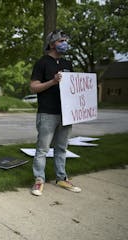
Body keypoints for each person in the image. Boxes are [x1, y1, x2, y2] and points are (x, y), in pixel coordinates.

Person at [30, 29, 81, 196]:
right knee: (43, 149)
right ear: (52, 44)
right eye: (61, 40)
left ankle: (61, 177)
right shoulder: (42, 63)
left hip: (66, 113)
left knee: (61, 148)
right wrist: (52, 81)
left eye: (65, 40)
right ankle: (39, 180)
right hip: (47, 113)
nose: (65, 43)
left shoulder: (68, 64)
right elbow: (34, 87)